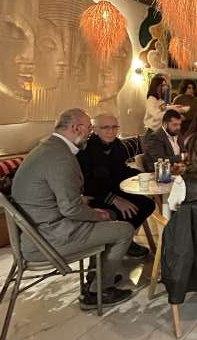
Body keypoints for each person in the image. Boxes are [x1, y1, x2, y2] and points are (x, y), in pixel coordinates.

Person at [11, 108, 133, 310]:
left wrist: (84, 203)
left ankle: (97, 276)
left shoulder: (47, 147)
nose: (89, 134)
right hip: (47, 239)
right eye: (89, 129)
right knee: (124, 229)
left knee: (107, 214)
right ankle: (97, 292)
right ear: (77, 128)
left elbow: (52, 194)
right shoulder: (61, 156)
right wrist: (97, 215)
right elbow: (70, 210)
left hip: (35, 231)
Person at [77, 113, 153, 259]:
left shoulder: (117, 145)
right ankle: (117, 242)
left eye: (114, 127)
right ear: (94, 129)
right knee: (124, 210)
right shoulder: (85, 149)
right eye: (105, 127)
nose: (111, 131)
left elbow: (121, 170)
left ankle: (124, 240)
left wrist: (143, 175)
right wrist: (115, 199)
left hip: (115, 190)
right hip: (95, 196)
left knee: (147, 204)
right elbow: (87, 185)